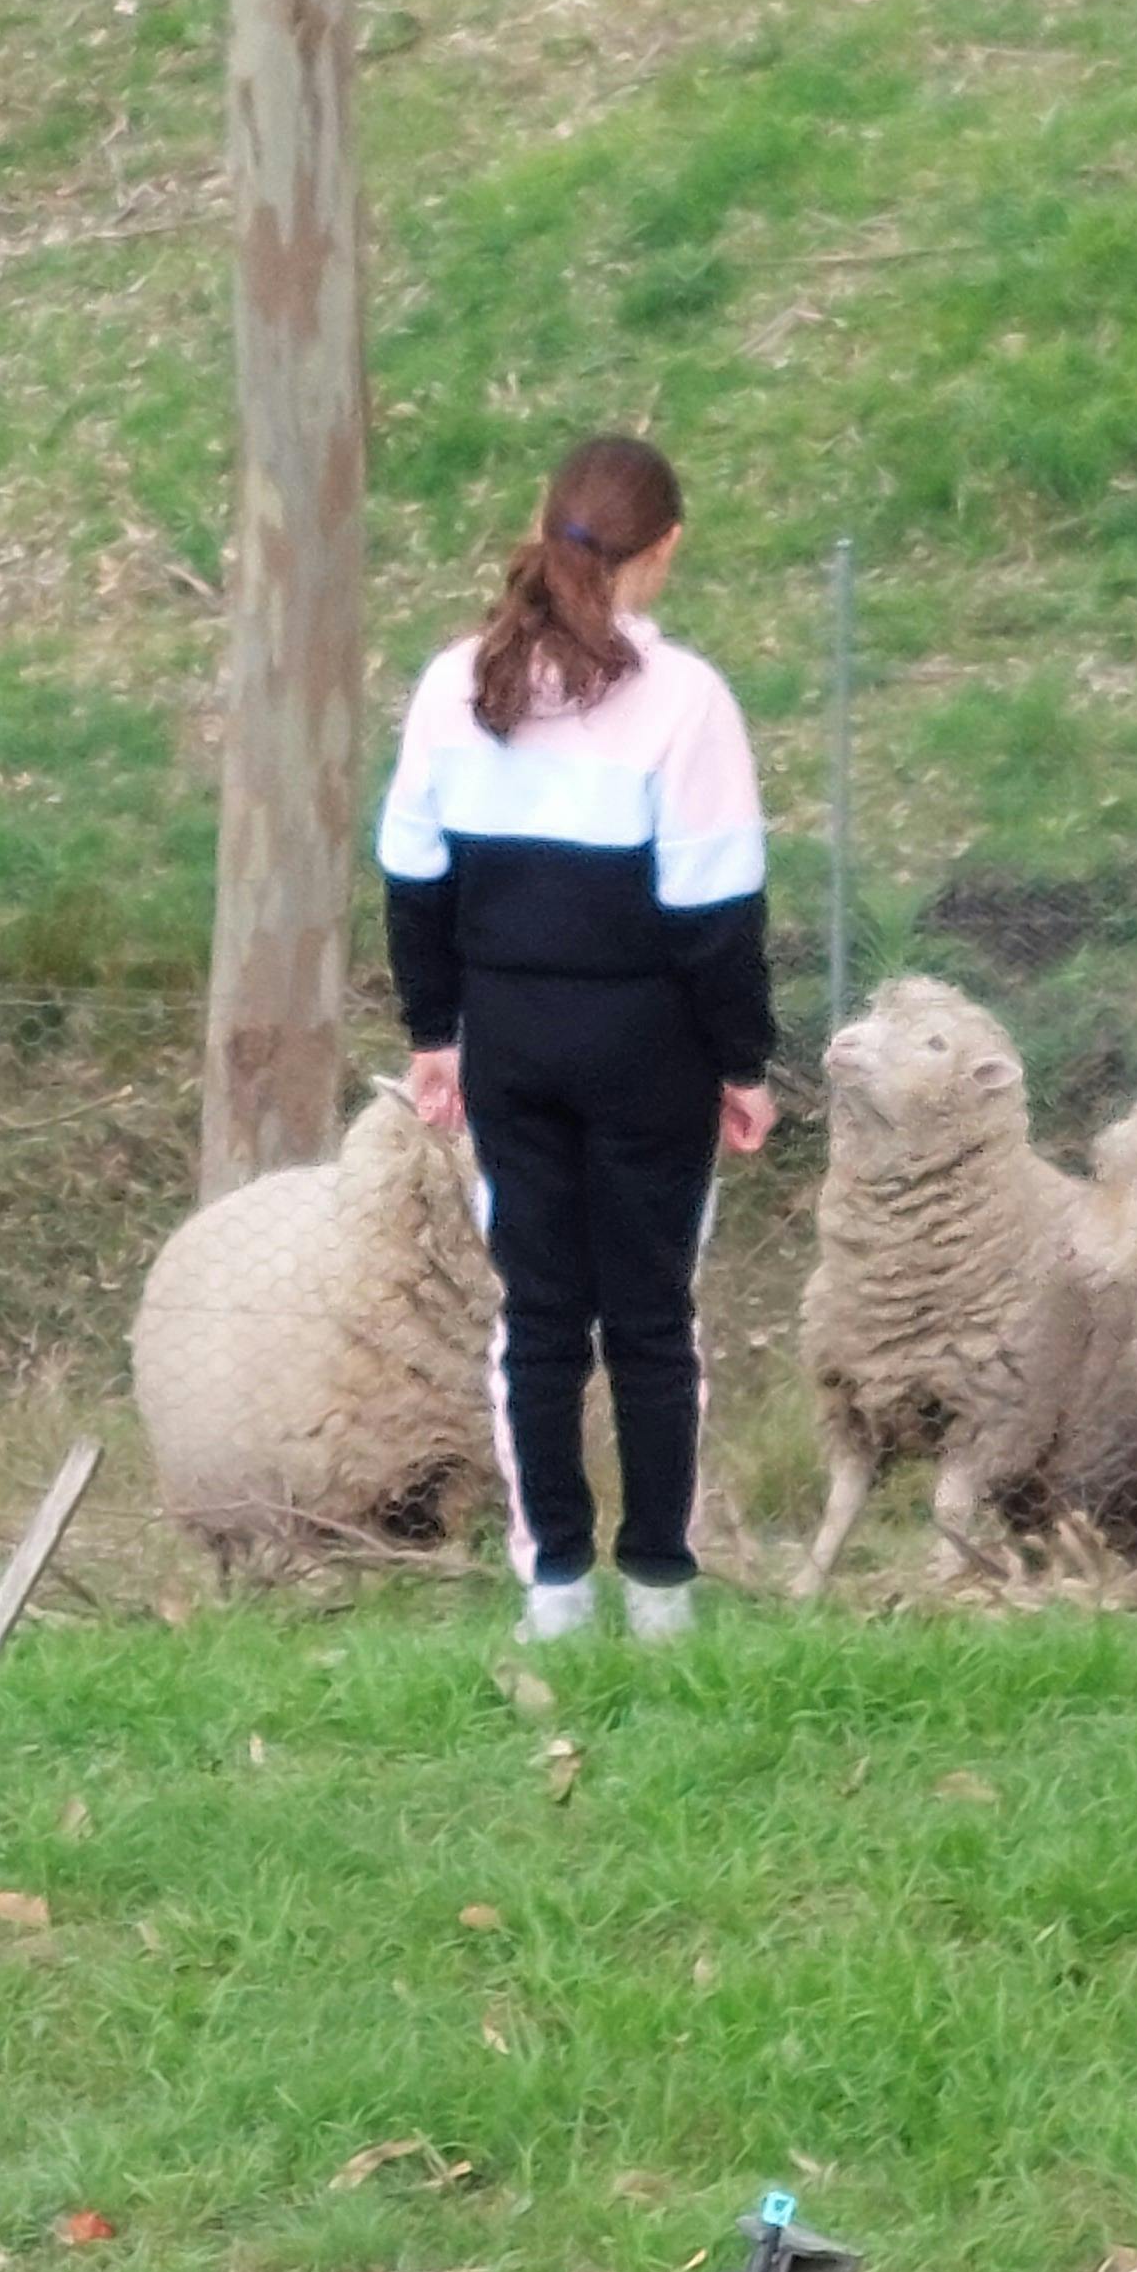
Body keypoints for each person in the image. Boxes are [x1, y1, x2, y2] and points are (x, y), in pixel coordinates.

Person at [375, 436, 777, 1645]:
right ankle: (659, 1589)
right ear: (665, 551)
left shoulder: (456, 682)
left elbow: (412, 877)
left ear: (544, 526)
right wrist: (741, 1063)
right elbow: (717, 914)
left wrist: (435, 1031)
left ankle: (553, 1583)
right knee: (651, 1320)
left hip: (509, 1041)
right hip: (648, 1046)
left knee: (539, 1317)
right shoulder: (687, 700)